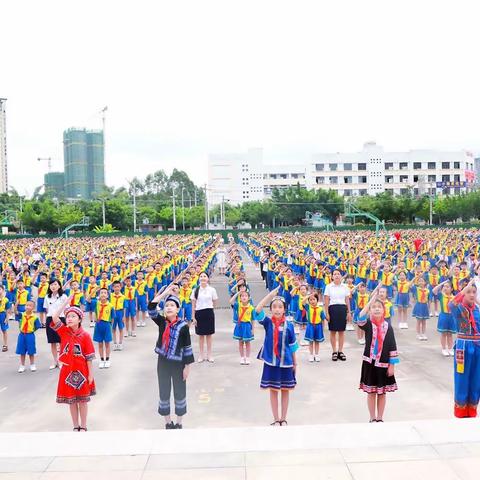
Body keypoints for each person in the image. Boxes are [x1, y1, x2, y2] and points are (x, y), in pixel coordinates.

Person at [148, 288, 194, 429]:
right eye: (167, 305)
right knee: (164, 390)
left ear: (178, 309)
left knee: (180, 391)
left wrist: (187, 367)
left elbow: (187, 347)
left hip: (178, 364)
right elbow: (151, 307)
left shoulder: (183, 326)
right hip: (163, 363)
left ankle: (179, 422)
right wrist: (166, 292)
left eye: (172, 305)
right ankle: (168, 422)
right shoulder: (162, 322)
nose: (169, 308)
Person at [50, 296, 95, 431]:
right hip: (67, 371)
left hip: (82, 371)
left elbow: (89, 357)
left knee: (82, 401)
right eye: (68, 316)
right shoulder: (64, 332)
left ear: (80, 319)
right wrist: (65, 303)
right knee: (72, 401)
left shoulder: (85, 336)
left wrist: (90, 375)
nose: (69, 318)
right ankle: (75, 426)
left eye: (73, 316)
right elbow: (54, 317)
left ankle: (84, 426)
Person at [255, 287, 298, 426]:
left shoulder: (289, 326)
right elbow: (257, 310)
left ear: (284, 309)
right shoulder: (268, 323)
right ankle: (275, 419)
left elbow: (293, 346)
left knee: (285, 390)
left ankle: (283, 419)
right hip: (271, 363)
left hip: (286, 363)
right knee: (273, 390)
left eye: (280, 307)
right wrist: (270, 295)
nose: (277, 309)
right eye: (274, 307)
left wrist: (295, 364)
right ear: (271, 309)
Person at [357, 289, 399, 422]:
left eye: (379, 307)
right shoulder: (368, 324)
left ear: (384, 310)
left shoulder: (388, 327)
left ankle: (380, 418)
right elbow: (360, 317)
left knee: (382, 392)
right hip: (369, 363)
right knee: (371, 392)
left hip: (383, 364)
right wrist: (370, 302)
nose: (376, 309)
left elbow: (392, 347)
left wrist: (391, 366)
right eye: (373, 307)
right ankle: (372, 417)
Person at [449, 279, 480, 418]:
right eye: (468, 292)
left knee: (476, 379)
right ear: (463, 293)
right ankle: (461, 412)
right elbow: (451, 303)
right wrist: (463, 289)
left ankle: (472, 411)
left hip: (477, 347)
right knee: (462, 378)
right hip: (463, 347)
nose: (472, 295)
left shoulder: (478, 310)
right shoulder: (458, 308)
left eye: (474, 292)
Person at [323, 269, 351, 362]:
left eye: (338, 274)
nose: (337, 275)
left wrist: (349, 312)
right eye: (334, 274)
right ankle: (334, 351)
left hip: (342, 309)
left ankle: (340, 351)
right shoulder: (328, 287)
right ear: (332, 276)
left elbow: (347, 300)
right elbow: (326, 300)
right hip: (332, 309)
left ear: (341, 276)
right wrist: (326, 313)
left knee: (341, 332)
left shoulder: (345, 286)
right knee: (333, 332)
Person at [191, 271, 218, 363]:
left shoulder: (212, 290)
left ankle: (209, 354)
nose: (203, 278)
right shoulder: (195, 290)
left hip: (209, 312)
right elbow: (193, 305)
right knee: (201, 335)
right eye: (201, 276)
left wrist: (211, 310)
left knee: (209, 335)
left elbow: (215, 301)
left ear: (207, 278)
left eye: (204, 276)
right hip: (199, 313)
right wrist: (193, 317)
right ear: (199, 278)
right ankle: (201, 355)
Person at [44, 279, 68, 370]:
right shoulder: (47, 296)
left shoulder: (63, 296)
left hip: (60, 319)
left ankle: (62, 361)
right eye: (51, 285)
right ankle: (55, 361)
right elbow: (47, 309)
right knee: (52, 342)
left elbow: (66, 309)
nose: (53, 286)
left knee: (61, 341)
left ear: (59, 286)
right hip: (50, 319)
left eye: (55, 284)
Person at [16, 300, 42, 372]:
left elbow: (37, 326)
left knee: (31, 351)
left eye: (30, 305)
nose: (27, 307)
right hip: (22, 335)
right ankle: (22, 365)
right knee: (22, 351)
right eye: (26, 305)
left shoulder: (35, 317)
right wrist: (15, 305)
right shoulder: (22, 315)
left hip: (30, 335)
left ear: (33, 308)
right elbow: (16, 313)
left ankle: (32, 364)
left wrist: (31, 330)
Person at [230, 290, 255, 365]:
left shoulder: (251, 308)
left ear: (249, 298)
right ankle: (242, 357)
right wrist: (238, 293)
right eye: (242, 296)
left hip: (247, 326)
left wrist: (253, 329)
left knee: (247, 342)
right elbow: (231, 301)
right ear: (240, 298)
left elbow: (253, 319)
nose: (244, 297)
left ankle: (247, 357)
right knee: (240, 342)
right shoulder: (238, 305)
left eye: (246, 296)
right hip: (240, 325)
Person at [432, 280, 456, 356]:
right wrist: (442, 283)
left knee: (450, 334)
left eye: (447, 286)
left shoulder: (454, 297)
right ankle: (444, 349)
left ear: (452, 289)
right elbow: (434, 290)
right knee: (444, 333)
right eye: (444, 287)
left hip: (452, 316)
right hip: (444, 316)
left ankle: (450, 348)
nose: (445, 288)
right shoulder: (441, 295)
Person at [93, 287, 113, 369]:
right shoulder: (97, 303)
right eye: (101, 292)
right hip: (98, 325)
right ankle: (101, 360)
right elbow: (88, 299)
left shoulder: (110, 306)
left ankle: (107, 360)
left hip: (107, 325)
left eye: (105, 292)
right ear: (99, 295)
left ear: (108, 295)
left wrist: (110, 326)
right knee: (100, 344)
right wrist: (94, 290)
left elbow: (112, 318)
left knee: (107, 344)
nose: (103, 294)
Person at [303, 292, 325, 362]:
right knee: (311, 341)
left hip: (318, 326)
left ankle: (317, 354)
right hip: (310, 326)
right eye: (310, 300)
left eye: (314, 299)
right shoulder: (308, 307)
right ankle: (311, 355)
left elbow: (323, 319)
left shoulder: (320, 309)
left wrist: (323, 328)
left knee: (317, 341)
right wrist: (308, 295)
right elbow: (303, 301)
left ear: (317, 300)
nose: (312, 301)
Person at [0, 285, 10, 351]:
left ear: (3, 290)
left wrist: (7, 318)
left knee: (4, 330)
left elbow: (7, 310)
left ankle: (5, 345)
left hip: (2, 315)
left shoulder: (6, 299)